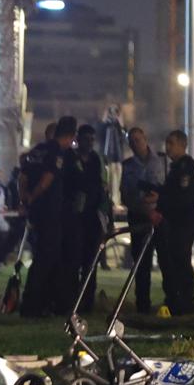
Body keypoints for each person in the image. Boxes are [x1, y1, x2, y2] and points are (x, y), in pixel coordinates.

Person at [18, 119, 75, 317]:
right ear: (69, 136)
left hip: (36, 212)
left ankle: (47, 303)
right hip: (49, 212)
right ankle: (33, 305)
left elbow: (23, 176)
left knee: (44, 256)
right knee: (45, 259)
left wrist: (25, 198)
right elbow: (48, 179)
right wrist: (34, 195)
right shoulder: (56, 152)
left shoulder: (36, 151)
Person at [119, 126, 166, 311]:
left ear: (145, 138)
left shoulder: (162, 162)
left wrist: (159, 199)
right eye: (132, 141)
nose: (135, 144)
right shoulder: (128, 166)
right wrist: (144, 207)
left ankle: (172, 302)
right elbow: (125, 196)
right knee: (141, 263)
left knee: (166, 260)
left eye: (138, 139)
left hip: (161, 216)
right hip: (139, 217)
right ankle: (143, 304)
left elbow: (168, 188)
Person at [157, 130, 194, 316]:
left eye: (171, 143)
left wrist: (164, 200)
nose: (167, 147)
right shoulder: (175, 167)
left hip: (182, 223)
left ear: (182, 145)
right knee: (171, 262)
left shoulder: (185, 167)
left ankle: (185, 301)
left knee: (181, 261)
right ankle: (175, 300)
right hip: (173, 223)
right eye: (167, 143)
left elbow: (182, 198)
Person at [67, 124, 107, 311]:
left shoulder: (96, 160)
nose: (89, 143)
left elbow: (100, 186)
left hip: (92, 217)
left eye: (92, 139)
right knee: (73, 261)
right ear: (79, 139)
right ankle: (73, 300)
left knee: (91, 263)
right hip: (75, 218)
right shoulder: (70, 158)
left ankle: (88, 301)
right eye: (86, 139)